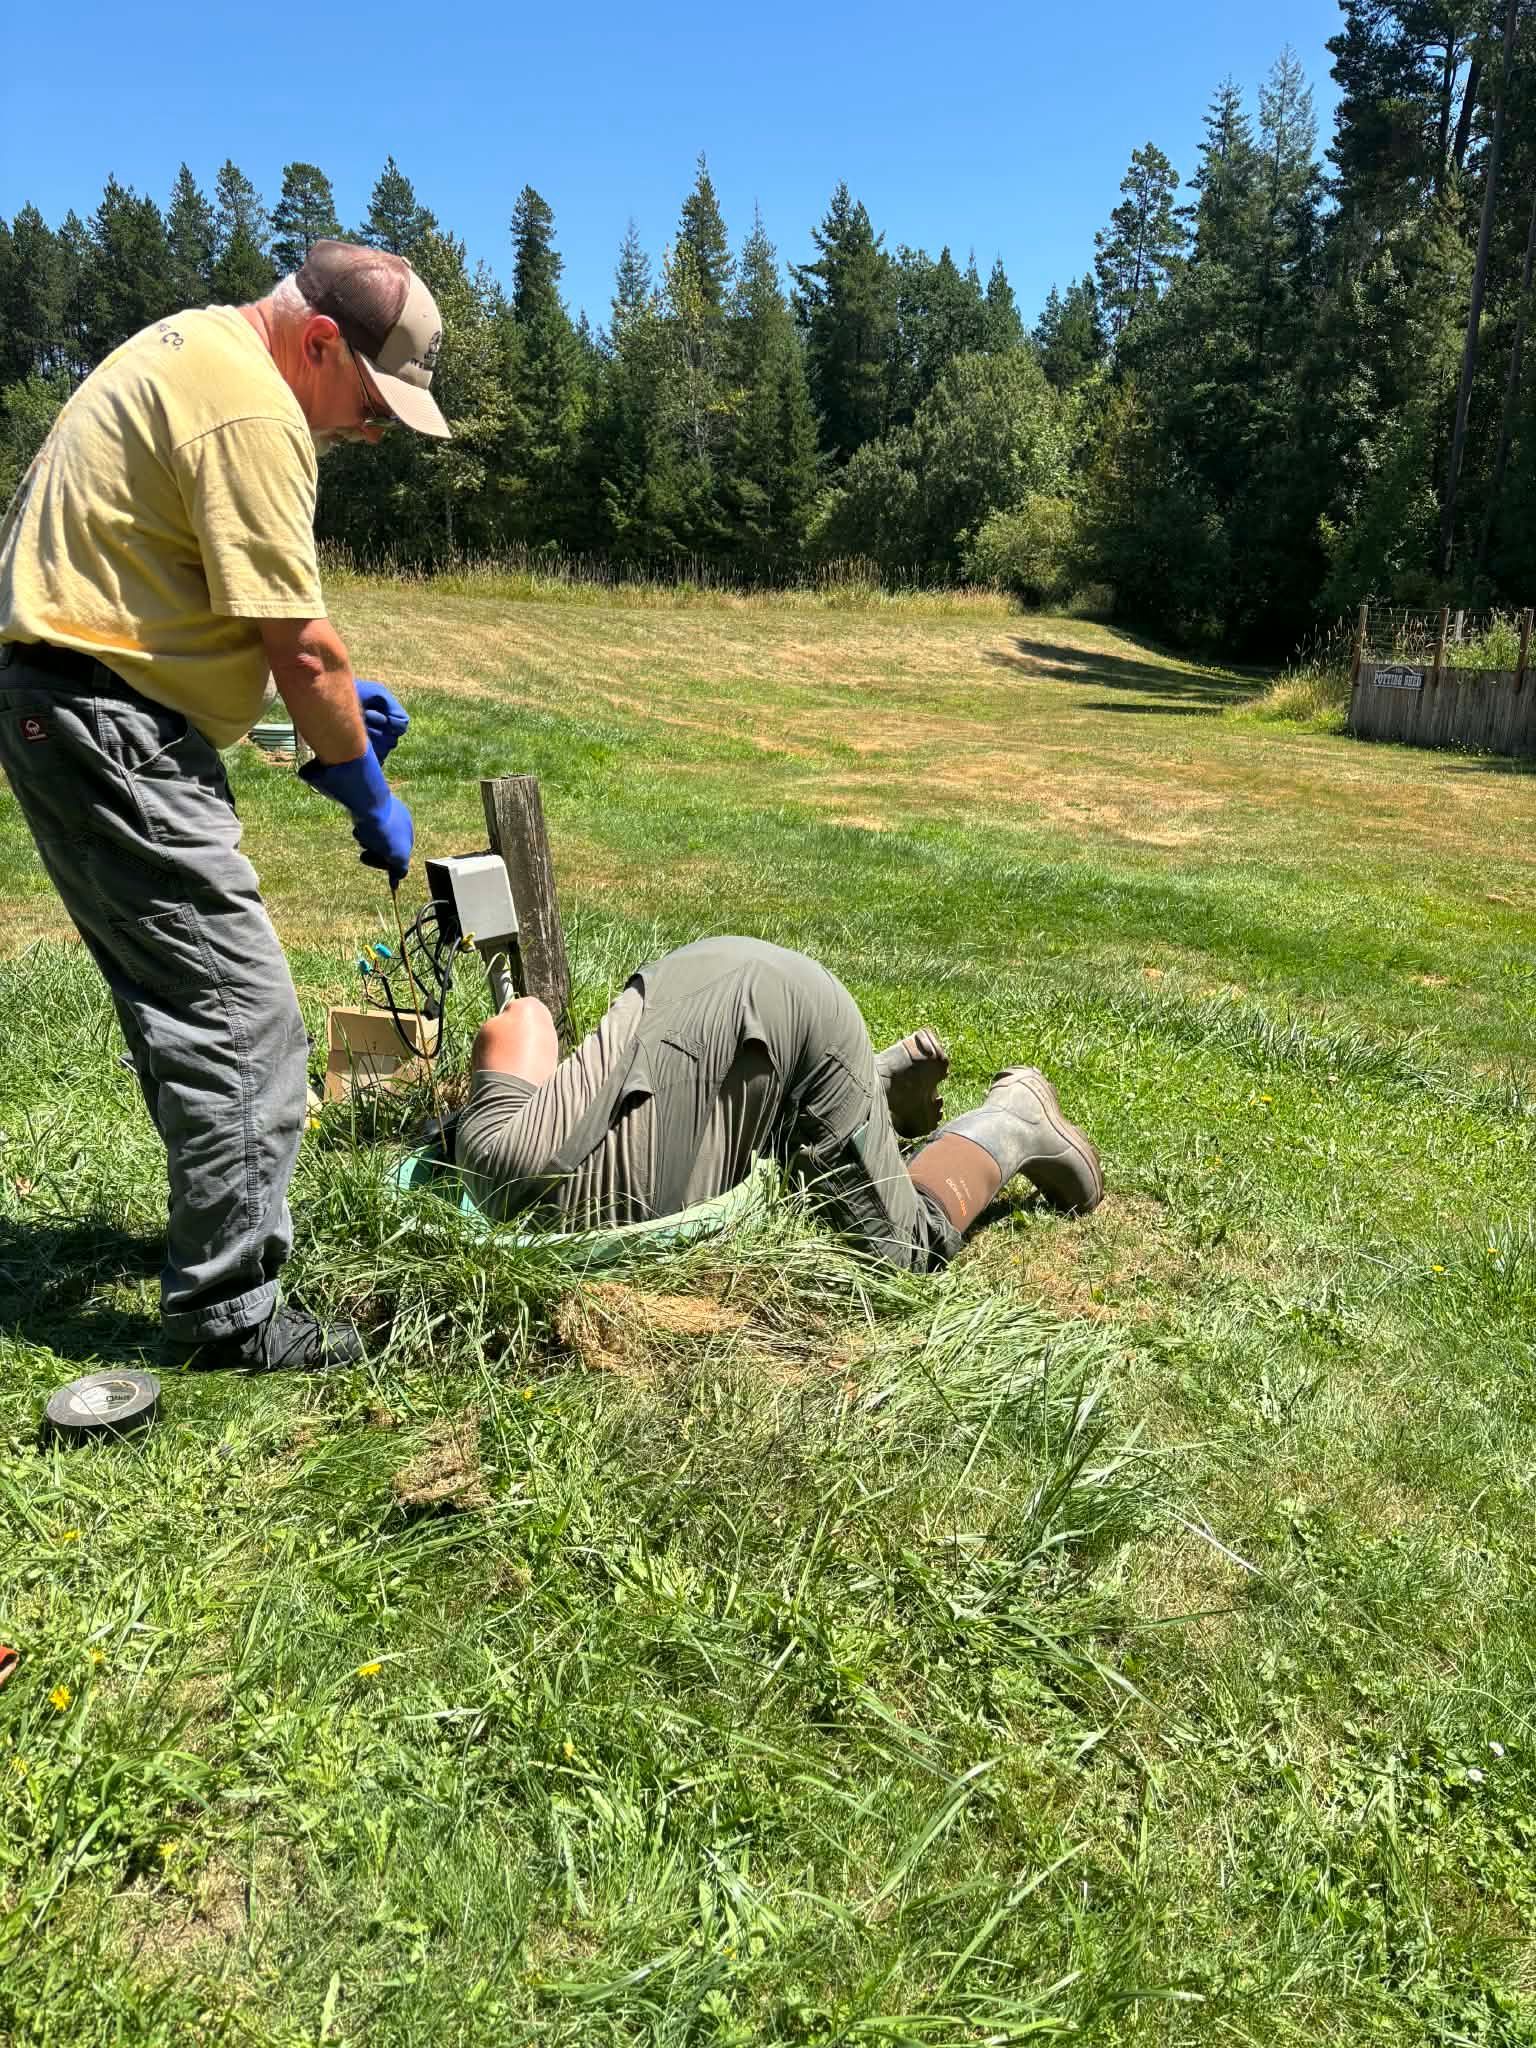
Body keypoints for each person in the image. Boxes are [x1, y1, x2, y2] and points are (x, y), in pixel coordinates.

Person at [0, 242, 450, 1371]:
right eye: (372, 399)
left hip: (72, 705)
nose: (374, 428)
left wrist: (304, 725)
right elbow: (302, 644)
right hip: (109, 723)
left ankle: (216, 1233)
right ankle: (230, 1313)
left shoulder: (194, 351)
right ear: (317, 343)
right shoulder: (254, 410)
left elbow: (163, 616)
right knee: (246, 1017)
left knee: (181, 1000)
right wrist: (366, 793)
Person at [454, 936, 1103, 1263]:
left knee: (904, 1250)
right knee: (729, 1132)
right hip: (703, 971)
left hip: (800, 1016)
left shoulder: (496, 1164)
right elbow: (523, 1022)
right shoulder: (489, 1154)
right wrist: (519, 1080)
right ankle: (861, 1089)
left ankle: (1013, 1119)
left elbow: (518, 1024)